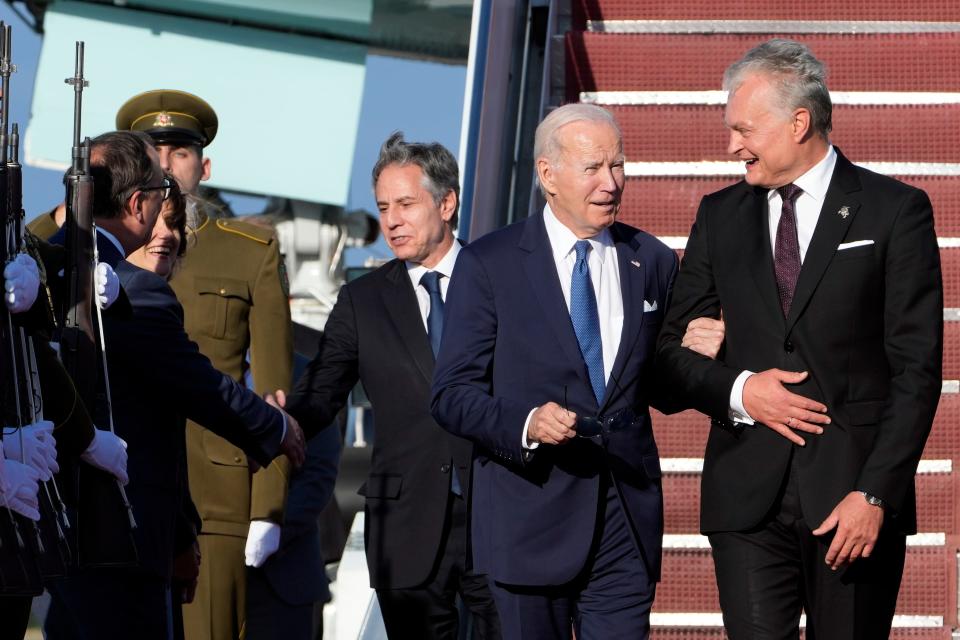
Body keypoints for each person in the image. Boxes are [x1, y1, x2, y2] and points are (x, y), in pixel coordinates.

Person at [656, 39, 943, 639]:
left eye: (744, 129)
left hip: (853, 500)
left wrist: (876, 494)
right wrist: (741, 389)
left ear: (799, 121)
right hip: (745, 499)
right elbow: (667, 362)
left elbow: (916, 370)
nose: (732, 145)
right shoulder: (719, 215)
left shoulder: (895, 211)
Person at [43, 130, 305, 640]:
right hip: (120, 535)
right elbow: (199, 385)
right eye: (162, 191)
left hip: (50, 528)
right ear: (138, 204)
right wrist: (275, 428)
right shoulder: (134, 290)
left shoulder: (40, 266)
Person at [430, 104, 676, 639]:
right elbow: (450, 394)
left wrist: (701, 353)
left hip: (624, 520)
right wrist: (526, 423)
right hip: (528, 518)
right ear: (547, 175)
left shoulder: (652, 260)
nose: (611, 183)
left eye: (619, 166)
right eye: (593, 168)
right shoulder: (489, 264)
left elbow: (659, 381)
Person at [285, 133, 501, 639]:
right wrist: (281, 417)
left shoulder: (500, 278)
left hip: (499, 512)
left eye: (406, 204)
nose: (391, 221)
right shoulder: (363, 300)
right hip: (406, 525)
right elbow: (322, 393)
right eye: (383, 207)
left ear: (446, 203)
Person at [116, 89, 294, 640]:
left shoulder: (249, 249)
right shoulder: (103, 241)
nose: (166, 164)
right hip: (120, 480)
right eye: (153, 152)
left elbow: (274, 386)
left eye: (180, 153)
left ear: (205, 165)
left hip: (214, 492)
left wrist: (267, 508)